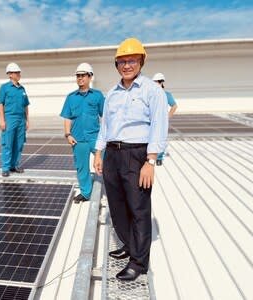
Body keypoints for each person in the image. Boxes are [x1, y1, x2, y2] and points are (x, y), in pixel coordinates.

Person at [94, 38, 168, 281]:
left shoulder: (152, 91)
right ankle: (129, 244)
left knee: (138, 208)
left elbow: (159, 125)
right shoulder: (112, 94)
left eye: (132, 60)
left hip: (137, 154)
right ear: (117, 65)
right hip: (113, 154)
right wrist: (99, 152)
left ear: (141, 61)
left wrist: (151, 160)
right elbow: (105, 125)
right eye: (122, 61)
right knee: (117, 206)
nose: (127, 65)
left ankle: (138, 262)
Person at [60, 63, 105, 203]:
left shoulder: (97, 96)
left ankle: (114, 189)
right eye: (78, 76)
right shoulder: (71, 97)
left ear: (90, 77)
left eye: (83, 75)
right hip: (78, 139)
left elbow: (105, 117)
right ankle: (86, 193)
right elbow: (67, 117)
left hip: (95, 138)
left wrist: (105, 136)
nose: (80, 78)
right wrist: (68, 134)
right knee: (82, 167)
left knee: (107, 163)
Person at [0, 62, 30, 177]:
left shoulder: (22, 89)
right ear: (10, 74)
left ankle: (14, 165)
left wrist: (27, 120)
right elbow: (0, 104)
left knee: (19, 144)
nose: (18, 74)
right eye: (16, 72)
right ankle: (5, 168)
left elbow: (26, 105)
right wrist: (2, 120)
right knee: (8, 143)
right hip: (9, 118)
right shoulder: (4, 87)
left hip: (21, 119)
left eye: (19, 72)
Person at [152, 72, 178, 166]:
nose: (156, 83)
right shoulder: (152, 94)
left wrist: (167, 117)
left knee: (162, 139)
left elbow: (174, 106)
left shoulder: (167, 95)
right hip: (152, 120)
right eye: (154, 82)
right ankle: (151, 156)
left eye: (157, 82)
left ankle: (159, 158)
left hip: (162, 122)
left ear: (162, 82)